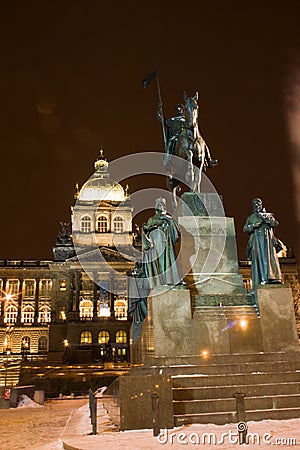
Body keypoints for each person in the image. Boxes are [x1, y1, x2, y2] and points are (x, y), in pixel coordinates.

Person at [142, 197, 181, 288]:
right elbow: (146, 230)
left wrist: (168, 221)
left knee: (168, 261)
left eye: (163, 205)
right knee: (158, 264)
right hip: (156, 244)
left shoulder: (170, 218)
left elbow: (176, 231)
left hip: (166, 245)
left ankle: (169, 280)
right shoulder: (152, 219)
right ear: (156, 207)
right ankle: (159, 282)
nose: (161, 207)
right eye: (159, 205)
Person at [243, 198, 283, 287]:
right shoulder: (251, 218)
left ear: (261, 205)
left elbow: (275, 223)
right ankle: (261, 279)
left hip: (267, 241)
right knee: (258, 260)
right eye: (255, 204)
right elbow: (245, 228)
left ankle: (273, 277)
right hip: (256, 241)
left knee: (269, 258)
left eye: (258, 203)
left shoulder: (268, 215)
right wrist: (254, 225)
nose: (257, 205)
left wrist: (267, 220)